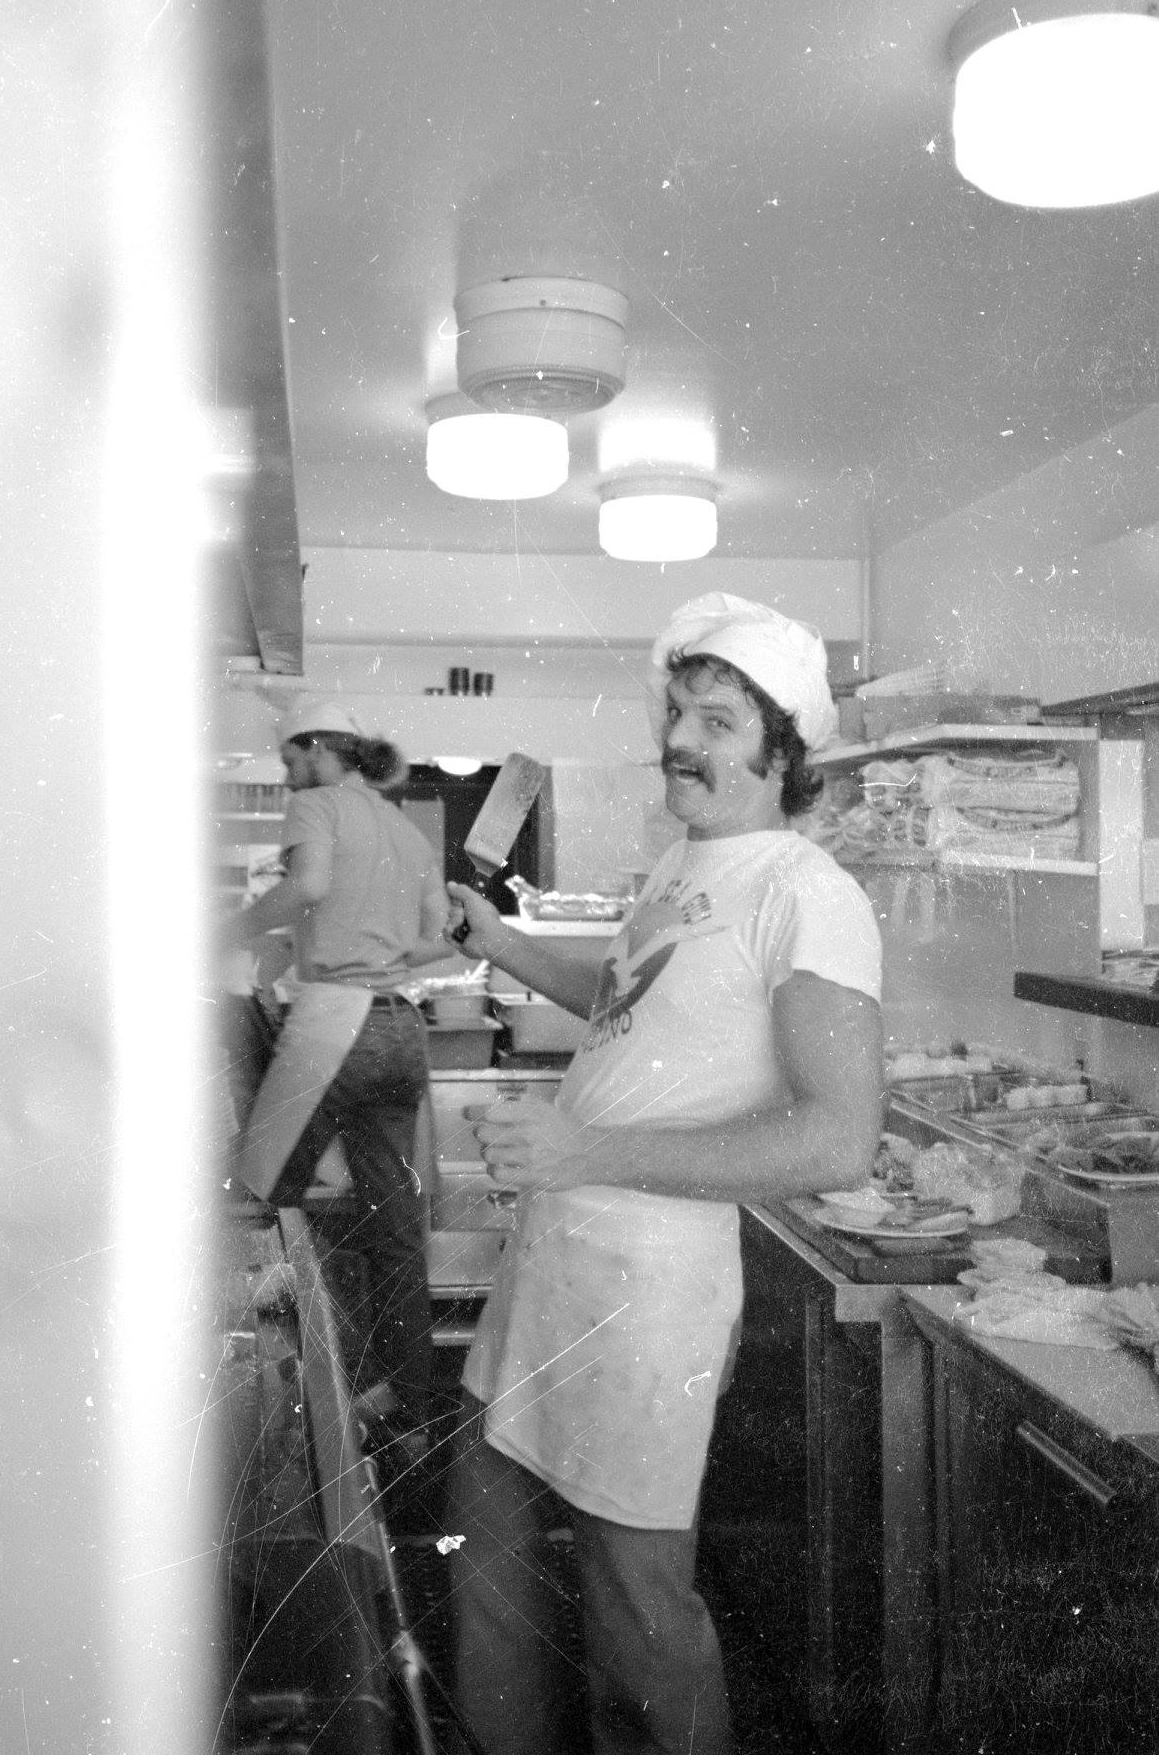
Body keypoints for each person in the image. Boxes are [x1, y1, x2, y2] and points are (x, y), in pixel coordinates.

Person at [442, 594, 884, 1755]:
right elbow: (624, 1006)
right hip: (555, 1266)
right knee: (485, 1555)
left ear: (783, 751)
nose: (678, 738)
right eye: (677, 711)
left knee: (638, 1611)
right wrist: (502, 944)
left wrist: (585, 1150)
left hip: (648, 1295)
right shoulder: (684, 862)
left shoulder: (807, 892)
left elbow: (838, 1138)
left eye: (717, 722)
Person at [219, 697, 453, 1448]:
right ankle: (409, 1408)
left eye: (291, 759)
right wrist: (367, 952)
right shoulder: (404, 826)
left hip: (333, 1025)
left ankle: (257, 1398)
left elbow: (310, 886)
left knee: (255, 1199)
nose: (287, 774)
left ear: (320, 749)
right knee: (395, 1231)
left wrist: (220, 931)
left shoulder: (317, 805)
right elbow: (439, 937)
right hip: (399, 1028)